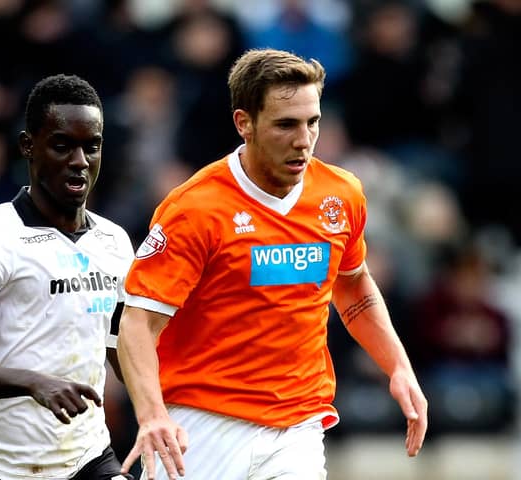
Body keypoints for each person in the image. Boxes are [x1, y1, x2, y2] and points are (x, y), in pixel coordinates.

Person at [116, 48, 428, 480]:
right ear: (244, 123)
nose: (303, 139)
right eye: (285, 124)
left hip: (298, 425)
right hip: (202, 424)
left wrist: (398, 366)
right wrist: (151, 415)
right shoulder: (195, 209)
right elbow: (136, 323)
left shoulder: (341, 195)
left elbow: (353, 284)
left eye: (312, 122)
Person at [0, 74, 135, 480]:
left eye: (91, 146)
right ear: (28, 146)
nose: (79, 161)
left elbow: (122, 348)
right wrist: (35, 383)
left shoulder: (114, 242)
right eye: (62, 145)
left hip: (87, 458)